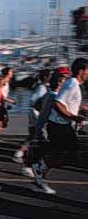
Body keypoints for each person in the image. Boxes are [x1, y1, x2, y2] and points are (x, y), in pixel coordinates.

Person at [31, 58, 88, 194]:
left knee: (59, 154)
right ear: (81, 71)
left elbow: (67, 104)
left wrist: (81, 110)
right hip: (59, 126)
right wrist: (73, 117)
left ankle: (40, 170)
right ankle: (40, 167)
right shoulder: (72, 84)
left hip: (61, 125)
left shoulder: (74, 84)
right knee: (73, 157)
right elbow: (57, 103)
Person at [13, 69, 52, 167]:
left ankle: (19, 153)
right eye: (49, 76)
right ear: (45, 77)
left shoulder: (41, 87)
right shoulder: (42, 88)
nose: (51, 77)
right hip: (36, 114)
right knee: (38, 137)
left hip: (34, 112)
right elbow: (37, 103)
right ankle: (30, 158)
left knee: (32, 135)